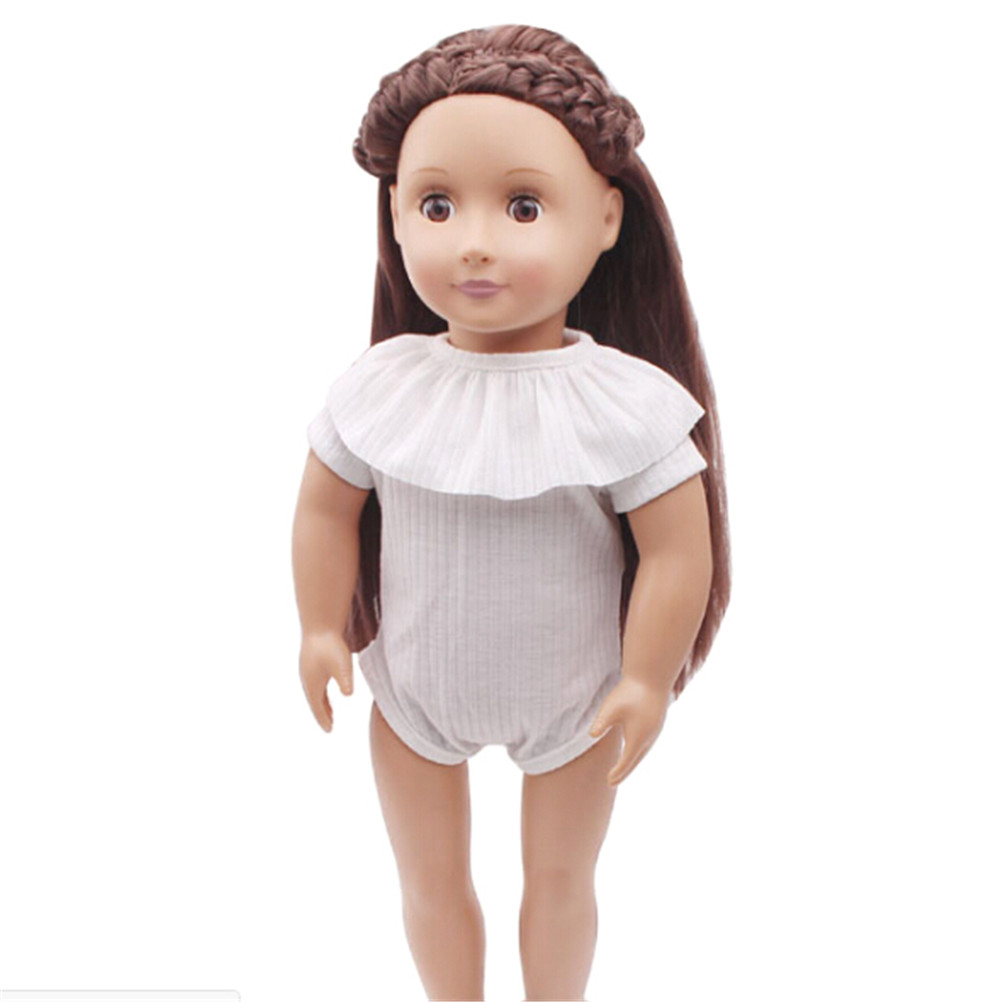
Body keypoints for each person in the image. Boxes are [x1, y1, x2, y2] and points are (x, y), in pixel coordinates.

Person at [292, 24, 731, 1001]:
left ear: (606, 218)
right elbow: (325, 511)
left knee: (561, 885)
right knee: (429, 885)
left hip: (577, 701)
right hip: (413, 694)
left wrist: (647, 678)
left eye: (524, 206)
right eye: (437, 205)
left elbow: (676, 551)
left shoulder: (622, 400)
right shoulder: (382, 386)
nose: (475, 241)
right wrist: (322, 625)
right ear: (395, 214)